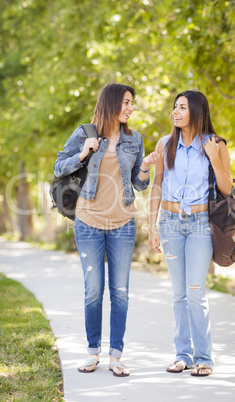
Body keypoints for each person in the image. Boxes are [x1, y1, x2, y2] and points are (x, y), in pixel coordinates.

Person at [54, 83, 159, 377]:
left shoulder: (134, 139)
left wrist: (147, 166)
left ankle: (116, 355)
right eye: (126, 102)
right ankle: (92, 353)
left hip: (123, 223)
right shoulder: (84, 133)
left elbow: (139, 184)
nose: (130, 108)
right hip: (88, 221)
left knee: (121, 292)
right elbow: (58, 166)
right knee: (93, 291)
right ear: (111, 103)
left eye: (132, 103)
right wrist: (82, 154)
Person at [149, 90, 233, 377]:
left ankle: (204, 358)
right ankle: (182, 355)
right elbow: (156, 185)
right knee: (178, 293)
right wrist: (151, 226)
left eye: (182, 107)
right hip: (170, 224)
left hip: (199, 225)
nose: (175, 111)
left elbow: (225, 187)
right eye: (175, 107)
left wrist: (214, 158)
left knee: (195, 291)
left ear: (196, 111)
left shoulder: (215, 144)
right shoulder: (165, 144)